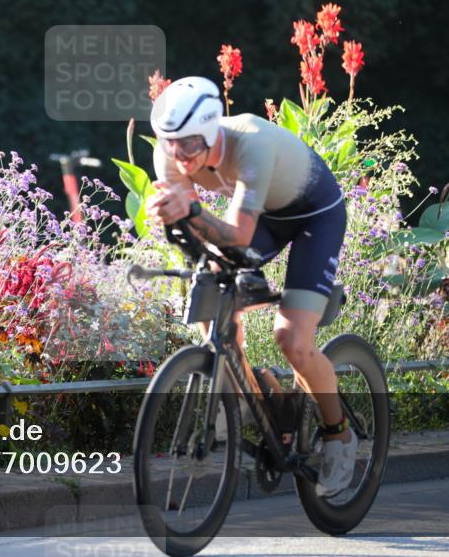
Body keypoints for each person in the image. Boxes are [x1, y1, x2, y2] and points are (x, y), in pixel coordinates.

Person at [145, 75, 356, 497]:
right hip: (265, 220)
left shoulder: (250, 143)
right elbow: (198, 231)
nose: (178, 155)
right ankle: (258, 401)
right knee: (211, 307)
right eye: (169, 143)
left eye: (189, 144)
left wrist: (190, 210)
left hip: (315, 215)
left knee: (292, 339)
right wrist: (174, 216)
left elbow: (237, 236)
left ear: (210, 132)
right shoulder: (169, 154)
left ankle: (339, 435)